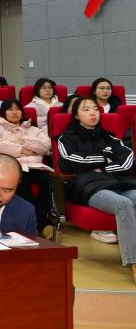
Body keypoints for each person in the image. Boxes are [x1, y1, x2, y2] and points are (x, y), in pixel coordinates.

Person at [57, 96, 136, 275]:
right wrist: (104, 159)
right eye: (86, 109)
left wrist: (102, 168)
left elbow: (128, 160)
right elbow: (69, 161)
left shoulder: (109, 137)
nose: (92, 113)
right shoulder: (67, 138)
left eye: (95, 109)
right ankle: (133, 261)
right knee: (123, 204)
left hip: (119, 182)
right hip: (89, 185)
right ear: (76, 115)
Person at [0, 98, 54, 237]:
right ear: (4, 112)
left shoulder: (33, 129)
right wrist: (23, 150)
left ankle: (37, 219)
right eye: (10, 109)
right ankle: (42, 223)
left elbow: (45, 145)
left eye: (17, 109)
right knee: (23, 183)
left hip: (34, 165)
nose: (15, 112)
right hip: (10, 165)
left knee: (49, 181)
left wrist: (25, 141)